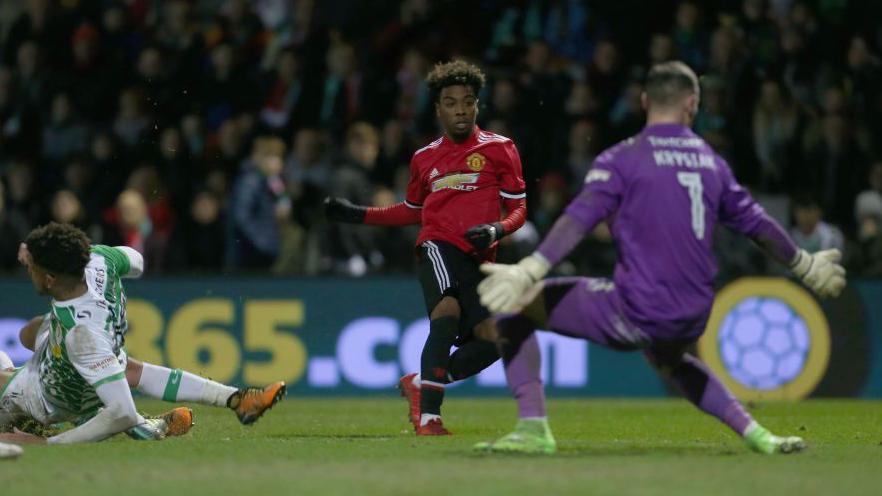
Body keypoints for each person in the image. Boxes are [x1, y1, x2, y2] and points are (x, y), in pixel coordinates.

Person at [474, 61, 845, 455]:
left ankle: (532, 427)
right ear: (693, 104)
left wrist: (531, 269)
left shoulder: (623, 158)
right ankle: (758, 435)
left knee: (515, 308)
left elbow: (580, 217)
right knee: (669, 358)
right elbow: (757, 224)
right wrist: (804, 264)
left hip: (639, 307)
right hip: (695, 313)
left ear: (645, 100)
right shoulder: (712, 163)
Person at [325, 61, 527, 435]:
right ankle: (430, 418)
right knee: (446, 311)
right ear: (438, 109)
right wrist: (358, 215)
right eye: (451, 103)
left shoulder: (501, 149)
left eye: (467, 101)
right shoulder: (424, 158)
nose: (460, 110)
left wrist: (497, 229)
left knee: (498, 339)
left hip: (480, 259)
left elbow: (518, 208)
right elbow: (411, 212)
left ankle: (421, 383)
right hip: (438, 246)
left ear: (477, 106)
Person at [0, 223, 286, 445]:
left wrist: (48, 444)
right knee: (41, 334)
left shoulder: (82, 336)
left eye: (32, 267)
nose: (28, 270)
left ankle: (135, 425)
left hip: (47, 394)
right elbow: (136, 261)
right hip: (90, 353)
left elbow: (121, 410)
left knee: (6, 370)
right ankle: (238, 399)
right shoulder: (99, 259)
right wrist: (37, 251)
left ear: (50, 279)